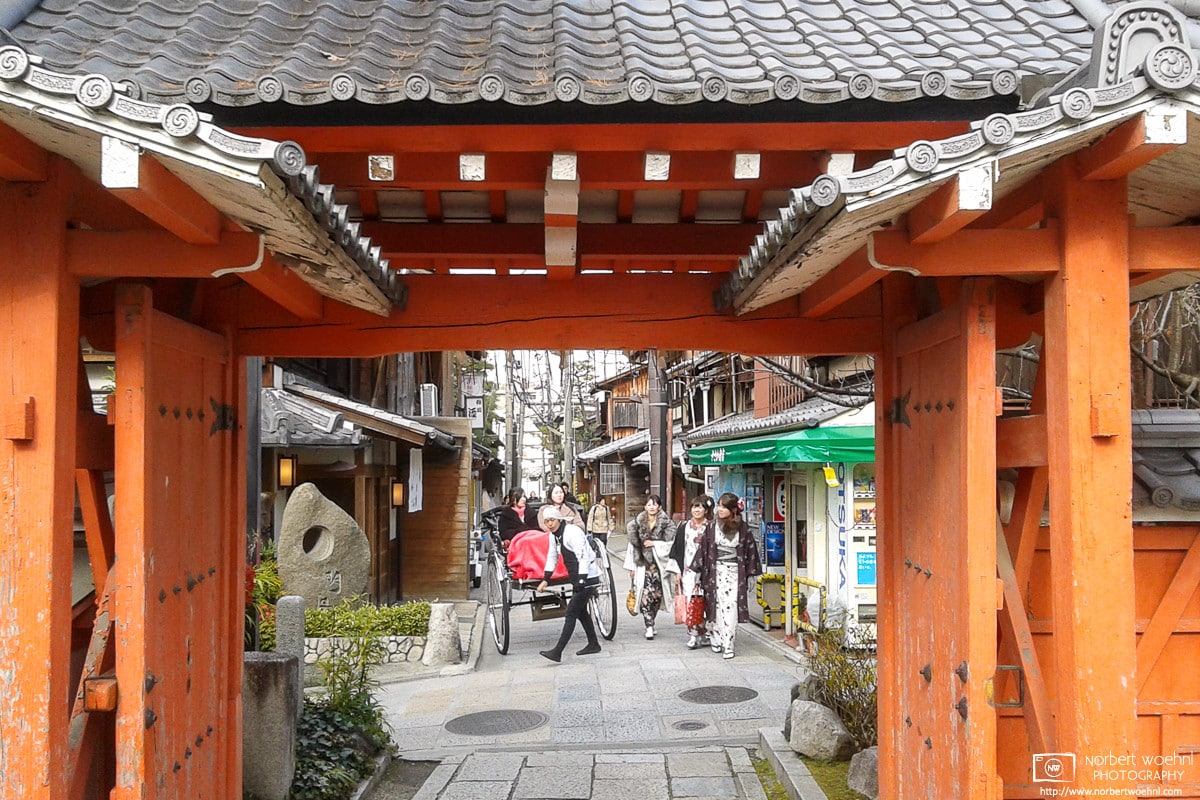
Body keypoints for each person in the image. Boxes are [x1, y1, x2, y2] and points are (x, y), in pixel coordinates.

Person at [690, 492, 762, 659]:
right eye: (719, 506)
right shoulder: (711, 527)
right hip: (714, 572)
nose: (720, 509)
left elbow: (751, 551)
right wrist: (698, 571)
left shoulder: (743, 529)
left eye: (724, 507)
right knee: (714, 606)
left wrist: (751, 575)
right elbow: (703, 550)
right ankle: (716, 637)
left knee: (730, 608)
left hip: (735, 572)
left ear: (733, 510)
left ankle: (728, 643)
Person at [536, 505, 602, 663]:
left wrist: (581, 579)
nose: (549, 524)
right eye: (546, 521)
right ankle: (593, 644)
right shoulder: (554, 536)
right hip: (577, 576)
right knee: (581, 612)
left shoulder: (572, 532)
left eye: (552, 520)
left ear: (558, 519)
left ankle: (557, 651)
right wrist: (546, 578)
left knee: (571, 612)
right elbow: (552, 557)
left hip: (588, 576)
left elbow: (583, 556)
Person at [623, 493, 678, 640]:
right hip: (643, 565)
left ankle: (652, 619)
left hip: (659, 565)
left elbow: (671, 545)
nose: (651, 507)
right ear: (645, 507)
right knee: (645, 594)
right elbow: (632, 546)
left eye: (654, 504)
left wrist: (655, 544)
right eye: (649, 504)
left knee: (656, 596)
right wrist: (631, 568)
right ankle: (649, 625)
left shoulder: (668, 524)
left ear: (659, 506)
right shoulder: (636, 523)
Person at [670, 493, 714, 650]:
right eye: (695, 507)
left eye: (701, 507)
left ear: (706, 510)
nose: (697, 510)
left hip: (707, 572)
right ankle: (693, 634)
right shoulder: (684, 527)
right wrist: (677, 571)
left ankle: (705, 633)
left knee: (706, 603)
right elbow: (676, 550)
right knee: (691, 602)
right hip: (688, 570)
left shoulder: (711, 527)